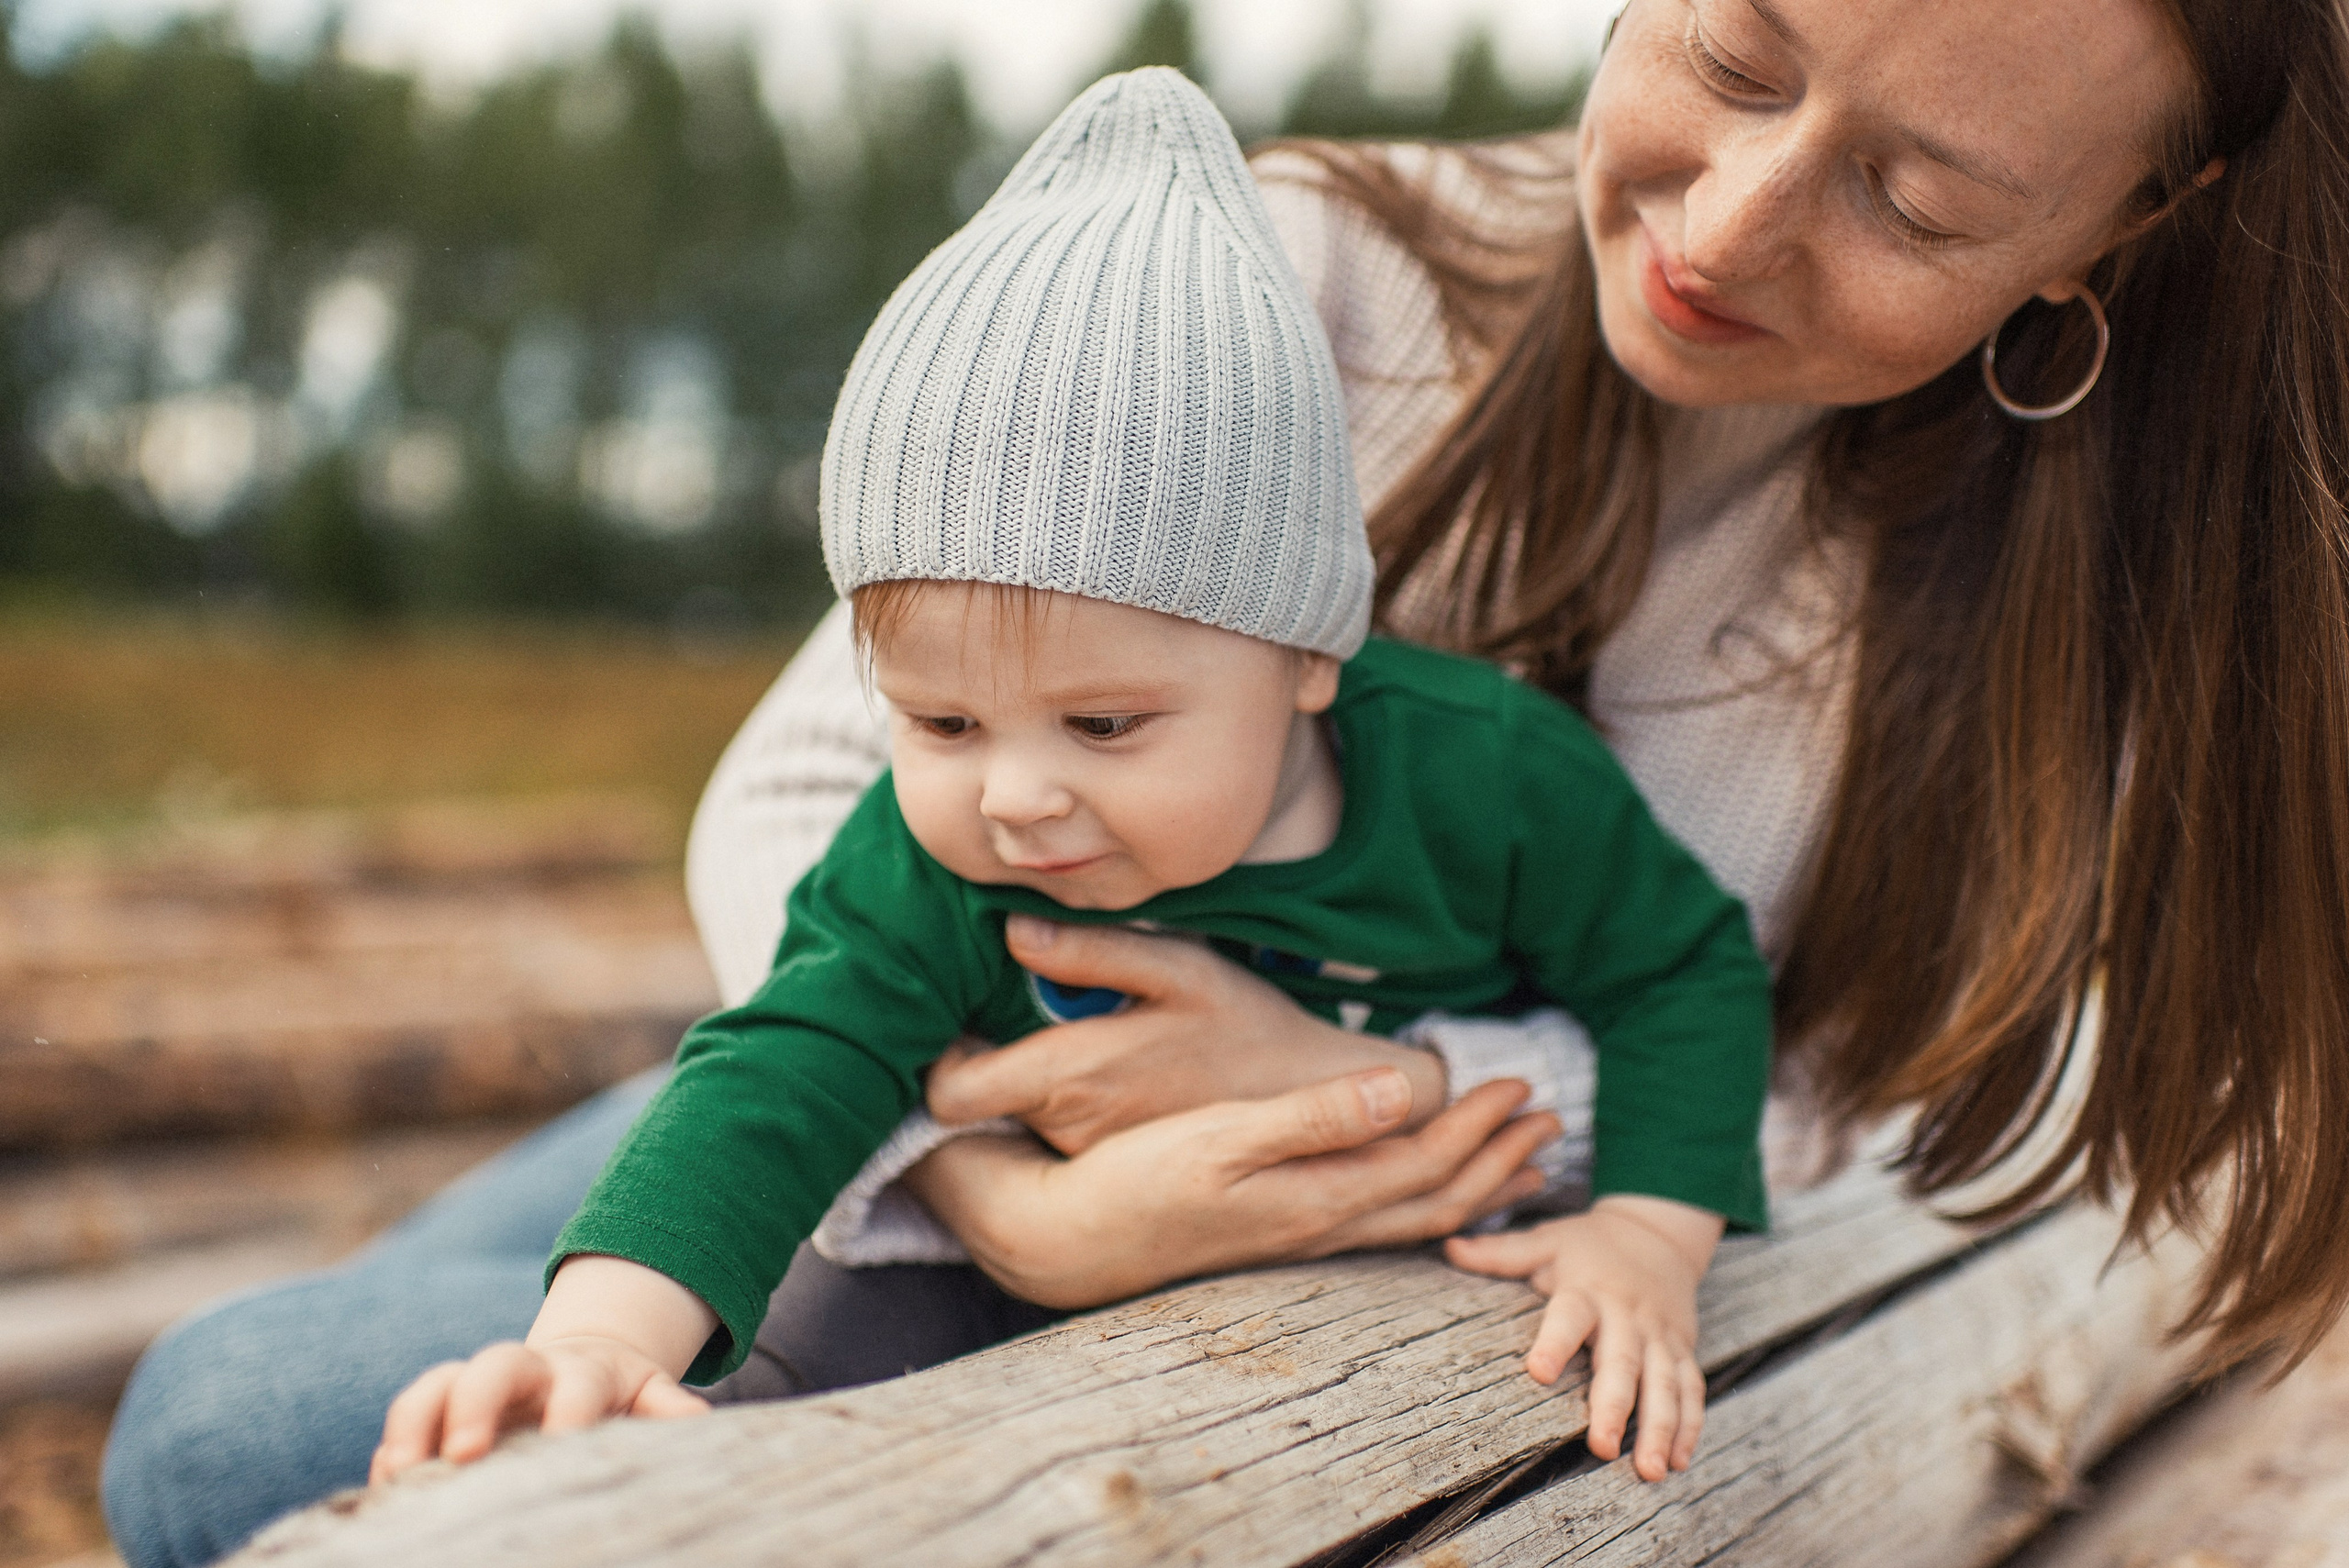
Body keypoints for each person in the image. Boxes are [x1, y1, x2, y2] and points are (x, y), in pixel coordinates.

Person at [102, 2, 2349, 1564]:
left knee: (268, 1447)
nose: (1730, 222)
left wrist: (1357, 1093)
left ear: (2123, 220)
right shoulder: (1273, 283)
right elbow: (815, 820)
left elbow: (1819, 1078)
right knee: (260, 1409)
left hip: (1337, 1269)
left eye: (1915, 196)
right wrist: (995, 1182)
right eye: (1730, 53)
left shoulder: (2072, 626)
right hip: (912, 1105)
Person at [365, 68, 1773, 1492]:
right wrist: (604, 1337)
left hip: (1364, 1300)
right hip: (977, 1237)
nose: (1016, 797)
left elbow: (1681, 969)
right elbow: (786, 1066)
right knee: (751, 1428)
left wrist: (1651, 1232)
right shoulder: (930, 864)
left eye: (1103, 726)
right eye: (943, 723)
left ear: (1306, 658)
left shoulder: (1487, 777)